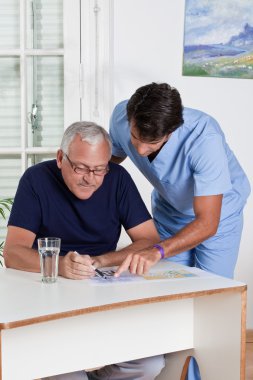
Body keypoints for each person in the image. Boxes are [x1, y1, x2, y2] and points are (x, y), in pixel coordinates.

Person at [3, 121, 164, 380]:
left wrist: (102, 260)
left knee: (149, 364)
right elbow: (13, 252)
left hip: (100, 292)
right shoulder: (36, 179)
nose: (90, 178)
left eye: (99, 170)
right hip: (47, 294)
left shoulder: (118, 179)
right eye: (80, 168)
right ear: (60, 158)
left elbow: (148, 240)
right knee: (69, 375)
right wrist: (60, 264)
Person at [110, 82, 251, 279]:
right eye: (135, 137)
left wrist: (157, 250)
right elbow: (108, 163)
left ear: (171, 131)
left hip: (219, 216)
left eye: (152, 143)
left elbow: (208, 223)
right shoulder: (120, 117)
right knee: (165, 281)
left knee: (211, 288)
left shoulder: (204, 138)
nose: (140, 150)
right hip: (171, 212)